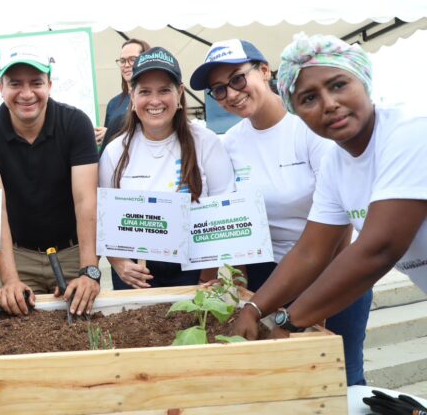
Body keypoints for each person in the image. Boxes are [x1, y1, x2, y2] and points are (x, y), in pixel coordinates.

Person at [232, 33, 427, 380]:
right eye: (309, 98)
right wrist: (254, 306)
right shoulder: (337, 164)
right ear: (298, 114)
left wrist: (289, 319)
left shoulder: (410, 131)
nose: (329, 103)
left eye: (338, 85)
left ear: (363, 81)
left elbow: (378, 248)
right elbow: (310, 251)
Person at [190, 38, 373, 386]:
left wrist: (297, 309)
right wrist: (244, 290)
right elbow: (234, 221)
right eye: (218, 89)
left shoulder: (311, 131)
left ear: (264, 70)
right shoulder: (228, 143)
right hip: (267, 280)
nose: (230, 93)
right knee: (280, 384)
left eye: (237, 79)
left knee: (339, 380)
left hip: (335, 275)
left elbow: (338, 230)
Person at [0, 45, 101, 317]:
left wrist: (89, 270)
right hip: (18, 256)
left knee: (81, 327)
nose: (26, 94)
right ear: (0, 87)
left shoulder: (75, 123)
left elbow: (86, 200)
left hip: (72, 252)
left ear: (49, 85)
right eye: (15, 84)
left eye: (36, 83)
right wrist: (10, 280)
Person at [99, 46, 235, 289]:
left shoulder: (206, 142)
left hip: (194, 270)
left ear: (180, 92)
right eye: (145, 92)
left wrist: (206, 275)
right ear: (132, 97)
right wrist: (119, 263)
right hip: (135, 273)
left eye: (164, 90)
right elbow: (103, 219)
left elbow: (222, 217)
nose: (155, 101)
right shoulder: (114, 151)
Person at [95, 38, 151, 150]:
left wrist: (112, 134)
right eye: (122, 60)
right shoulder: (113, 103)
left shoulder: (154, 100)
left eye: (132, 59)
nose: (126, 65)